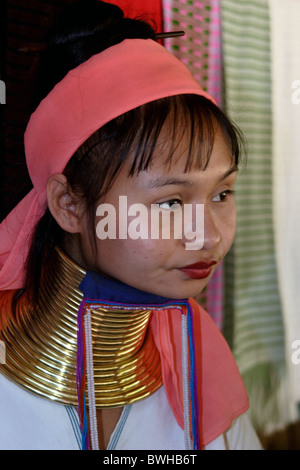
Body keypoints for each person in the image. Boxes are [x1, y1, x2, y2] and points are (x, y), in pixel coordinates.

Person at [0, 0, 262, 450]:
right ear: (69, 204)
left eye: (222, 194)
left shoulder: (199, 359)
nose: (211, 236)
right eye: (171, 202)